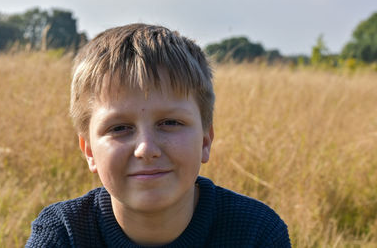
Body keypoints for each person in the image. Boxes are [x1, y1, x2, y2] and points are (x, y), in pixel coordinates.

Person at [26, 23, 291, 247]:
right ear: (89, 151)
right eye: (119, 128)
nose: (146, 148)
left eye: (170, 122)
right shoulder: (63, 234)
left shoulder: (256, 232)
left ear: (205, 140)